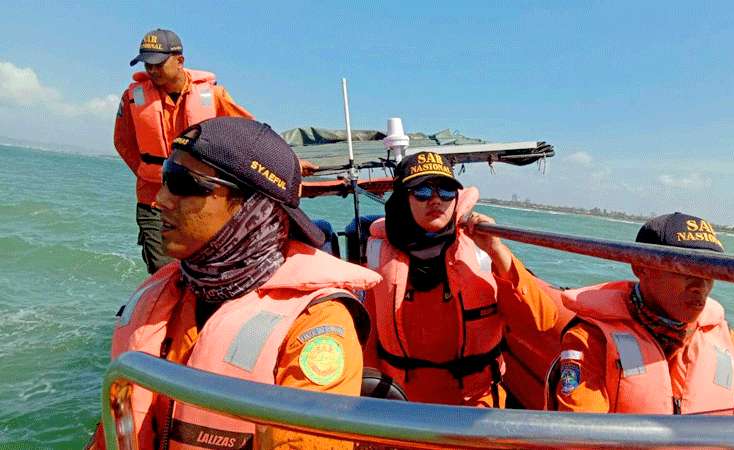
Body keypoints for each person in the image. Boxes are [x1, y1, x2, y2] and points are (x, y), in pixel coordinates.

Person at [88, 117, 381, 449]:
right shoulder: (164, 294)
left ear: (252, 209)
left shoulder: (316, 321)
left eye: (184, 183)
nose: (160, 199)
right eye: (166, 176)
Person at [363, 151, 559, 407]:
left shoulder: (482, 250)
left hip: (474, 403)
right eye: (422, 191)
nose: (435, 200)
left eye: (445, 191)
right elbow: (367, 335)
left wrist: (497, 251)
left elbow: (541, 321)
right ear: (402, 199)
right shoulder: (379, 252)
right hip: (402, 403)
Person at [552, 212, 734, 414]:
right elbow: (579, 432)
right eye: (685, 269)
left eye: (711, 270)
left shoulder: (725, 341)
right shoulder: (592, 339)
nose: (701, 285)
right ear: (641, 267)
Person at [115, 28, 256, 274]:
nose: (152, 70)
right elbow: (123, 142)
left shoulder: (214, 96)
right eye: (146, 64)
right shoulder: (132, 98)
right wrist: (147, 171)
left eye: (158, 63)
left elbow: (249, 137)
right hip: (153, 198)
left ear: (179, 60)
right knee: (164, 270)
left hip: (201, 197)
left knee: (208, 265)